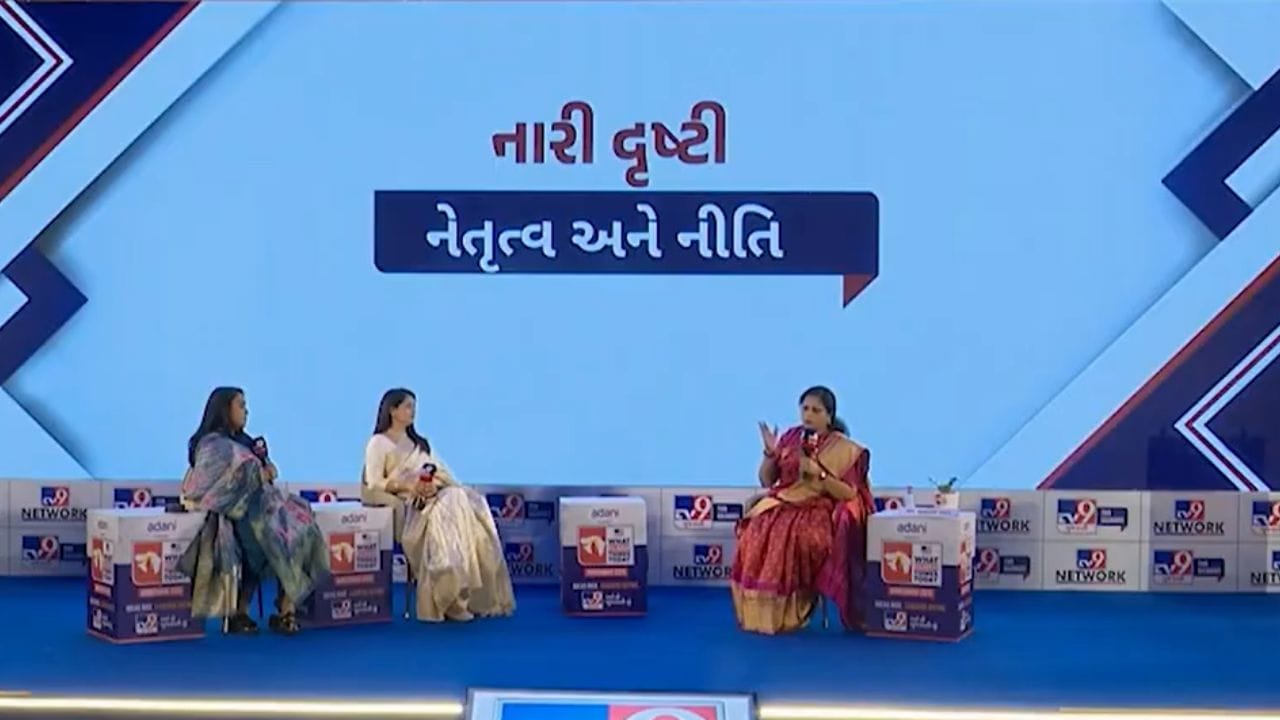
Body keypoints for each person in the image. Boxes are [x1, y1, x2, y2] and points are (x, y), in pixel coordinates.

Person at [179, 387, 329, 634]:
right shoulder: (211, 444)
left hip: (263, 507)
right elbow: (207, 484)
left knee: (300, 529)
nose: (246, 411)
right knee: (262, 540)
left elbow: (265, 469)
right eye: (241, 405)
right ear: (224, 409)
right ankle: (240, 610)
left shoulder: (247, 442)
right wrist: (256, 474)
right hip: (231, 513)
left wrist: (266, 469)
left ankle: (286, 607)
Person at [361, 388, 515, 622]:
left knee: (461, 498)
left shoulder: (421, 444)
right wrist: (407, 485)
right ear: (392, 410)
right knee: (450, 504)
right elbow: (374, 482)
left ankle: (461, 593)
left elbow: (442, 473)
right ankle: (448, 595)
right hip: (410, 504)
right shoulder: (378, 443)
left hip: (436, 496)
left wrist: (434, 485)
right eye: (408, 406)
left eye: (414, 406)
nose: (413, 411)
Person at [730, 385, 873, 635]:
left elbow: (849, 493)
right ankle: (759, 614)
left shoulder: (845, 449)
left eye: (816, 410)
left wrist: (820, 475)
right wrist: (770, 454)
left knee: (792, 534)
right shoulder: (790, 437)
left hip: (819, 506)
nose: (808, 415)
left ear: (828, 416)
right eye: (805, 408)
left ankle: (793, 612)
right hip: (783, 501)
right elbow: (767, 481)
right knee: (756, 530)